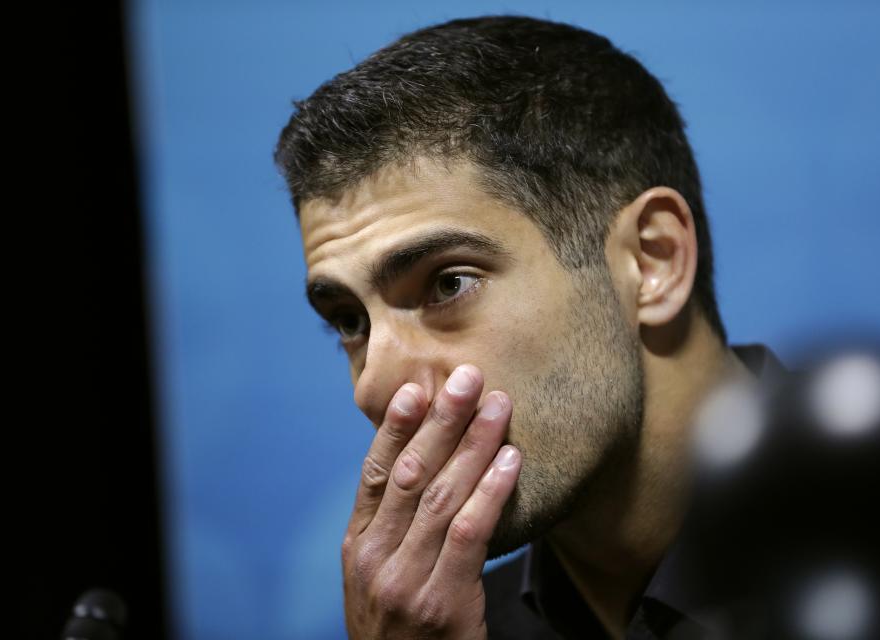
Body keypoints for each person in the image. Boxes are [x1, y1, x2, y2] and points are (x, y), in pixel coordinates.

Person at [275, 15, 780, 639]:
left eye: (447, 284)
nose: (373, 389)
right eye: (350, 321)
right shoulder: (442, 627)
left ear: (653, 261)